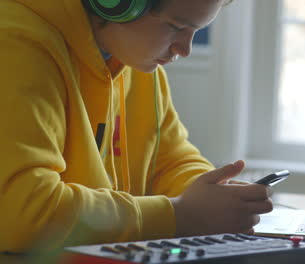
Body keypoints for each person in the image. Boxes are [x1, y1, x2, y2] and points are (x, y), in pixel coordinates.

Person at [0, 0, 273, 252]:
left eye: (195, 30)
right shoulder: (13, 45)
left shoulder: (130, 57)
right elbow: (20, 213)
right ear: (115, 3)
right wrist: (178, 215)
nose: (185, 50)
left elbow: (169, 162)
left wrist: (214, 197)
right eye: (176, 27)